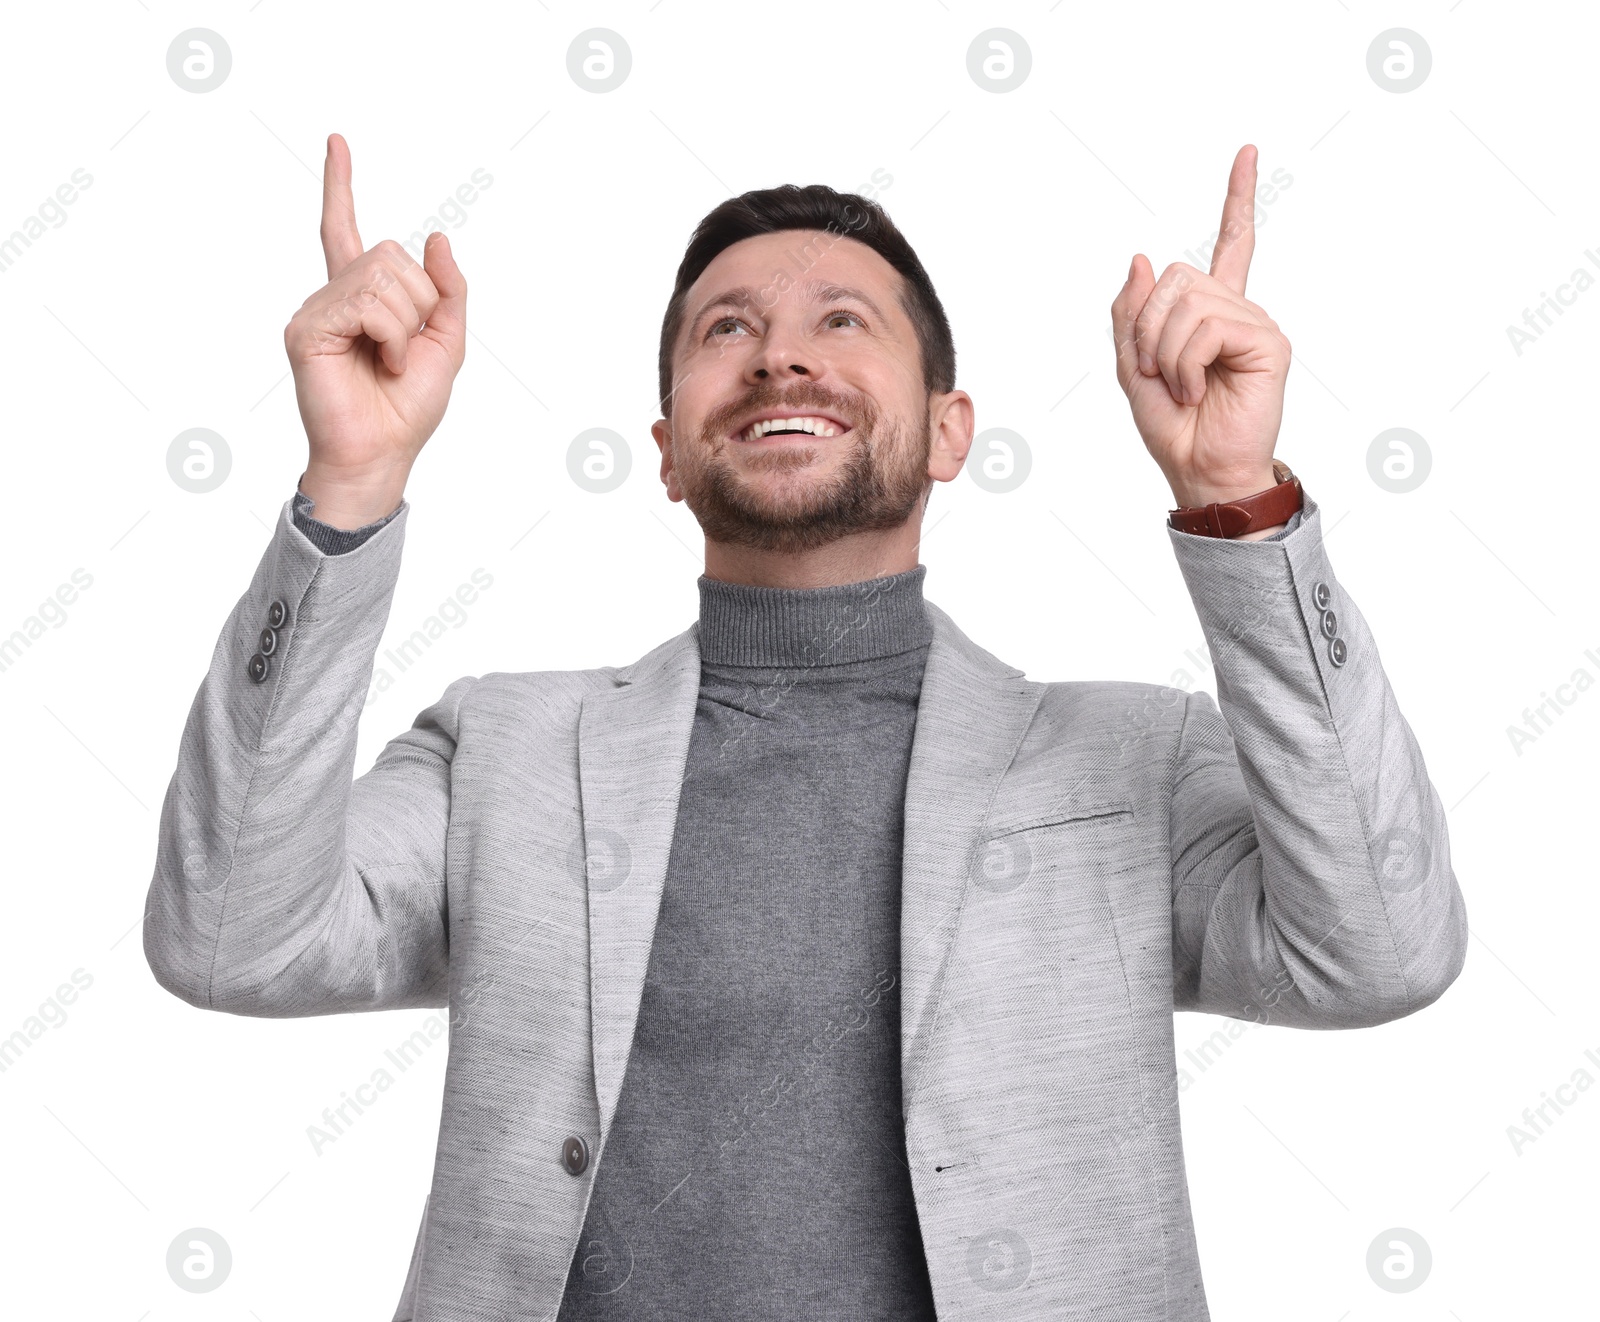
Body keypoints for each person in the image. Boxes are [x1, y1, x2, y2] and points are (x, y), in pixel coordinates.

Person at [143, 133, 1467, 1321]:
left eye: (844, 320)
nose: (782, 353)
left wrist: (1234, 492)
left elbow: (1382, 949)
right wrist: (350, 487)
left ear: (951, 432)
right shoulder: (501, 750)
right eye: (727, 328)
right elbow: (227, 938)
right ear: (666, 450)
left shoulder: (1127, 763)